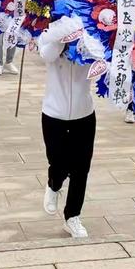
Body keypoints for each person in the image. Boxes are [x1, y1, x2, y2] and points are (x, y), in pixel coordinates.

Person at [38, 22, 96, 238]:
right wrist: (62, 35)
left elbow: (101, 57)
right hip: (54, 114)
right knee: (59, 162)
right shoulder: (49, 34)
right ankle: (54, 184)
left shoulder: (90, 34)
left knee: (81, 168)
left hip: (84, 113)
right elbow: (47, 55)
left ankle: (72, 216)